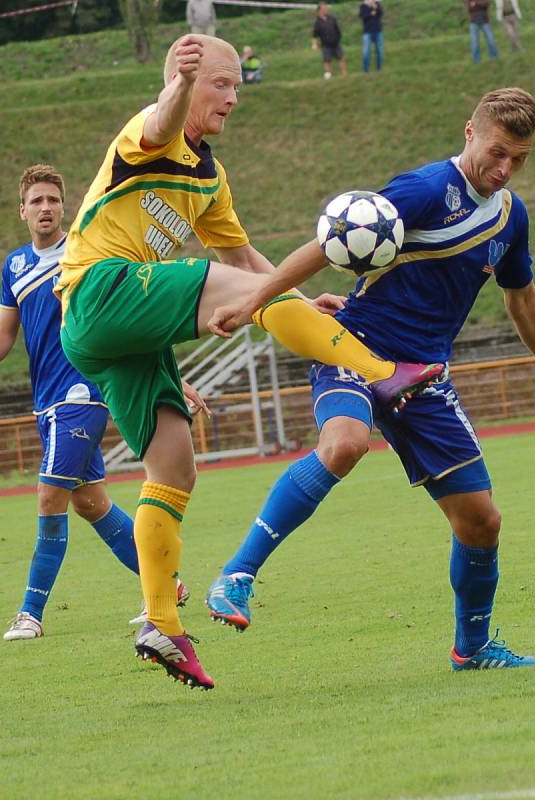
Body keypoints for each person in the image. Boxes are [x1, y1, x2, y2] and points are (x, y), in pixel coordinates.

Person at [55, 34, 444, 690]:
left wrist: (295, 303)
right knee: (236, 292)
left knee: (174, 466)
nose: (233, 97)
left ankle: (161, 625)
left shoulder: (209, 180)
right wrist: (177, 85)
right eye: (220, 84)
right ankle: (382, 373)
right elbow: (160, 118)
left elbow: (244, 265)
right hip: (100, 290)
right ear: (186, 80)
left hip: (114, 335)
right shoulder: (146, 137)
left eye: (238, 85)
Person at [206, 87, 535, 672]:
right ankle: (236, 576)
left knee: (482, 521)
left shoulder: (511, 217)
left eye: (520, 159)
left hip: (423, 377)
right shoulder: (425, 190)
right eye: (498, 152)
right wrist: (255, 298)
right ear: (469, 133)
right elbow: (331, 244)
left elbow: (523, 298)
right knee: (346, 443)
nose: (505, 170)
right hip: (353, 346)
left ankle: (472, 648)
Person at [0, 164, 189, 642]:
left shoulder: (84, 251)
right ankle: (167, 587)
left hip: (82, 394)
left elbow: (129, 316)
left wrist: (171, 378)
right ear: (21, 210)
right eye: (37, 201)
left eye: (53, 200)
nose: (46, 208)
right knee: (91, 503)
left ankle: (30, 613)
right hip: (46, 401)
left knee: (49, 498)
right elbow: (6, 331)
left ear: (64, 207)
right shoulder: (15, 266)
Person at [312, 1, 347, 79]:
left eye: (326, 8)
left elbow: (338, 30)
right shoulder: (317, 22)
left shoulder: (332, 18)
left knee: (341, 58)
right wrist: (314, 44)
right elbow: (315, 35)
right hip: (325, 45)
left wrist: (338, 38)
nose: (326, 9)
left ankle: (345, 75)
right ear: (319, 10)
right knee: (327, 60)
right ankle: (329, 77)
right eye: (324, 8)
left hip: (336, 43)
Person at [359, 0, 384, 73]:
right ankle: (365, 70)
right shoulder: (363, 5)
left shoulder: (377, 3)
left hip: (378, 31)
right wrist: (371, 13)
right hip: (367, 32)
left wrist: (376, 8)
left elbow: (381, 13)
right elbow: (362, 16)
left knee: (379, 51)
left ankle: (379, 69)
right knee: (366, 52)